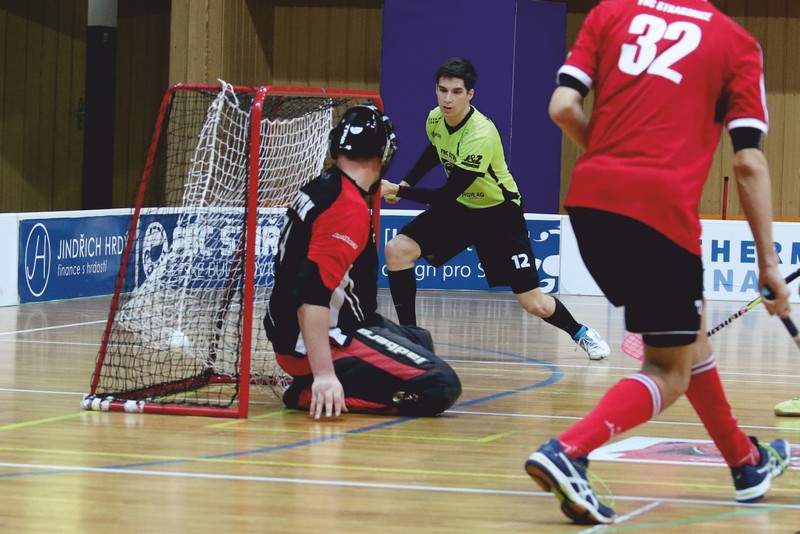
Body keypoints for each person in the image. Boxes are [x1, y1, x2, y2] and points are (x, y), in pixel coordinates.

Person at [524, 0, 792, 525]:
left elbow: (562, 107)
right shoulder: (736, 44)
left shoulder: (610, 13)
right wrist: (769, 264)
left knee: (688, 338)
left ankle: (746, 462)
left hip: (590, 202)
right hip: (660, 212)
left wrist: (612, 160)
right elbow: (748, 162)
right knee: (667, 370)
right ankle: (568, 451)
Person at [381, 57, 611, 360]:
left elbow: (447, 194)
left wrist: (398, 190)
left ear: (470, 94)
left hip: (499, 214)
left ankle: (582, 333)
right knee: (397, 250)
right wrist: (406, 181)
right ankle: (411, 339)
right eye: (442, 90)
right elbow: (436, 150)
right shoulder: (435, 119)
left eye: (456, 92)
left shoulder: (481, 134)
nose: (448, 99)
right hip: (462, 208)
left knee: (533, 303)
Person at [264, 104, 462, 419]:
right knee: (441, 385)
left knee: (420, 339)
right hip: (320, 336)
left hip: (321, 325)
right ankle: (307, 391)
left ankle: (335, 377)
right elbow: (311, 296)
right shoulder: (345, 206)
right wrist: (325, 375)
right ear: (384, 154)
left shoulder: (327, 186)